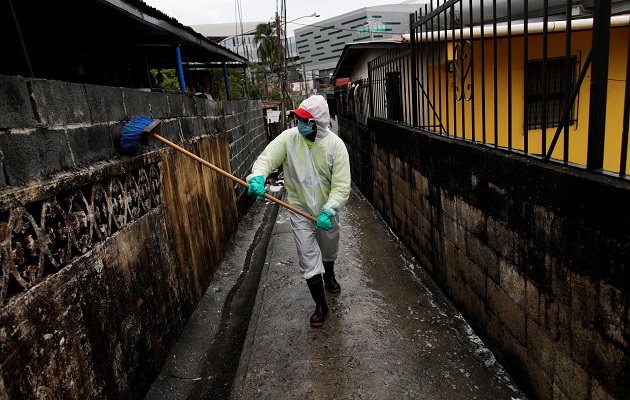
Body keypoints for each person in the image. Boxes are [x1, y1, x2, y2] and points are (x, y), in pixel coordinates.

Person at [246, 95, 351, 327]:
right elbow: (266, 159)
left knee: (329, 245)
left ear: (317, 123)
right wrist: (258, 177)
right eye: (298, 118)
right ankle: (320, 305)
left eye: (304, 120)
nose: (298, 123)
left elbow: (342, 186)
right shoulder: (288, 139)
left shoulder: (336, 146)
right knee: (307, 254)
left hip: (326, 210)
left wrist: (330, 209)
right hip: (298, 206)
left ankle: (330, 274)